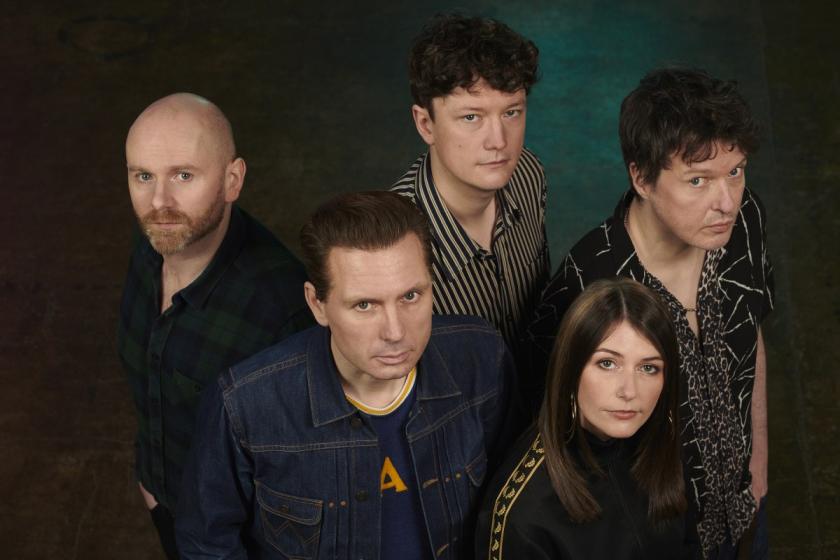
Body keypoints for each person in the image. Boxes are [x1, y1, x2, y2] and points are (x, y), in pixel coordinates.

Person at [175, 191, 515, 560]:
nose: (395, 331)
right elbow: (207, 546)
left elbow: (514, 499)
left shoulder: (481, 358)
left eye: (410, 296)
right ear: (317, 304)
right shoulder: (245, 405)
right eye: (365, 305)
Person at [525, 68, 773, 558]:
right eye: (698, 180)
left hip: (746, 507)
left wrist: (759, 464)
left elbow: (751, 335)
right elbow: (558, 436)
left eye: (736, 171)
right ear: (641, 177)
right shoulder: (586, 284)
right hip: (653, 538)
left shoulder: (745, 222)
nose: (726, 202)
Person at [117, 93, 311, 558]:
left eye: (183, 175)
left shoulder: (281, 312)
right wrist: (154, 488)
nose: (159, 201)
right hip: (170, 506)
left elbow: (297, 482)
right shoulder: (154, 244)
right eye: (143, 176)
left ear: (232, 180)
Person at [476, 278, 693, 559]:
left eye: (648, 368)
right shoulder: (523, 513)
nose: (629, 391)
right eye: (607, 363)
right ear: (570, 367)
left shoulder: (662, 441)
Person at [391, 13, 550, 359]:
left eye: (511, 113)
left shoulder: (528, 172)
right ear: (425, 124)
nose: (498, 141)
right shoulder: (391, 242)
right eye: (471, 117)